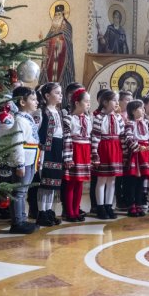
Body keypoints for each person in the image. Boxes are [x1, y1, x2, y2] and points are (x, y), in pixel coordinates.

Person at [0, 86, 40, 235]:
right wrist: (19, 164)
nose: (37, 102)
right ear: (22, 102)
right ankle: (17, 222)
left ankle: (21, 219)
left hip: (30, 160)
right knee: (19, 192)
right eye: (33, 99)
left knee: (22, 191)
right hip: (24, 162)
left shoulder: (27, 119)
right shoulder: (20, 120)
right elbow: (17, 143)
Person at [35, 82, 65, 227]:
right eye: (57, 93)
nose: (60, 95)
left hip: (57, 147)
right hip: (46, 149)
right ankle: (42, 212)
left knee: (53, 183)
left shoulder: (59, 112)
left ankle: (49, 211)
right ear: (47, 96)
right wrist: (40, 151)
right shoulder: (42, 112)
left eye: (61, 93)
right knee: (45, 182)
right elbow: (36, 131)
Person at [90, 89, 124, 220]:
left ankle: (109, 205)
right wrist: (95, 154)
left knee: (112, 179)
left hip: (116, 148)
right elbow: (96, 136)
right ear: (105, 102)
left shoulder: (118, 117)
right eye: (114, 100)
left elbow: (122, 134)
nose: (117, 102)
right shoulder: (98, 118)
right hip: (103, 148)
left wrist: (124, 151)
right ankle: (100, 207)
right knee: (102, 178)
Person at [61, 85, 93, 222]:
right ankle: (69, 212)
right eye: (86, 101)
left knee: (80, 183)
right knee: (71, 183)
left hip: (84, 152)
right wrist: (68, 157)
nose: (88, 104)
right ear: (77, 103)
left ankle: (76, 209)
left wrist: (92, 156)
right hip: (74, 151)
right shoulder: (69, 119)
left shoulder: (87, 119)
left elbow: (90, 138)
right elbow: (67, 139)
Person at [120, 99, 149, 217]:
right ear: (133, 111)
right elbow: (128, 137)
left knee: (141, 181)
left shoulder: (147, 123)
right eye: (140, 108)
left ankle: (139, 204)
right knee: (132, 181)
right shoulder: (129, 123)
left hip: (145, 154)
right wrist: (137, 147)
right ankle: (131, 205)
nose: (143, 110)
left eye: (143, 108)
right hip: (135, 155)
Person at [42, 5, 76, 86]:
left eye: (59, 14)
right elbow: (48, 39)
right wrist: (45, 42)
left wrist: (60, 41)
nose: (57, 16)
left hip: (62, 57)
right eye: (56, 14)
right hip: (52, 59)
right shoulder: (53, 28)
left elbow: (68, 41)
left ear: (63, 15)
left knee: (63, 79)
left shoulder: (67, 26)